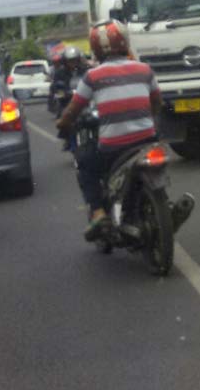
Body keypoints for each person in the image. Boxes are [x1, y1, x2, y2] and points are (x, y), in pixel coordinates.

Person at [56, 21, 162, 240]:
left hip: (113, 149)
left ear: (95, 49)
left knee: (84, 161)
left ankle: (98, 213)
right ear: (125, 42)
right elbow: (157, 103)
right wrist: (146, 120)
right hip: (147, 141)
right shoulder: (145, 69)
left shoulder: (92, 76)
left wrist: (62, 124)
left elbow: (73, 110)